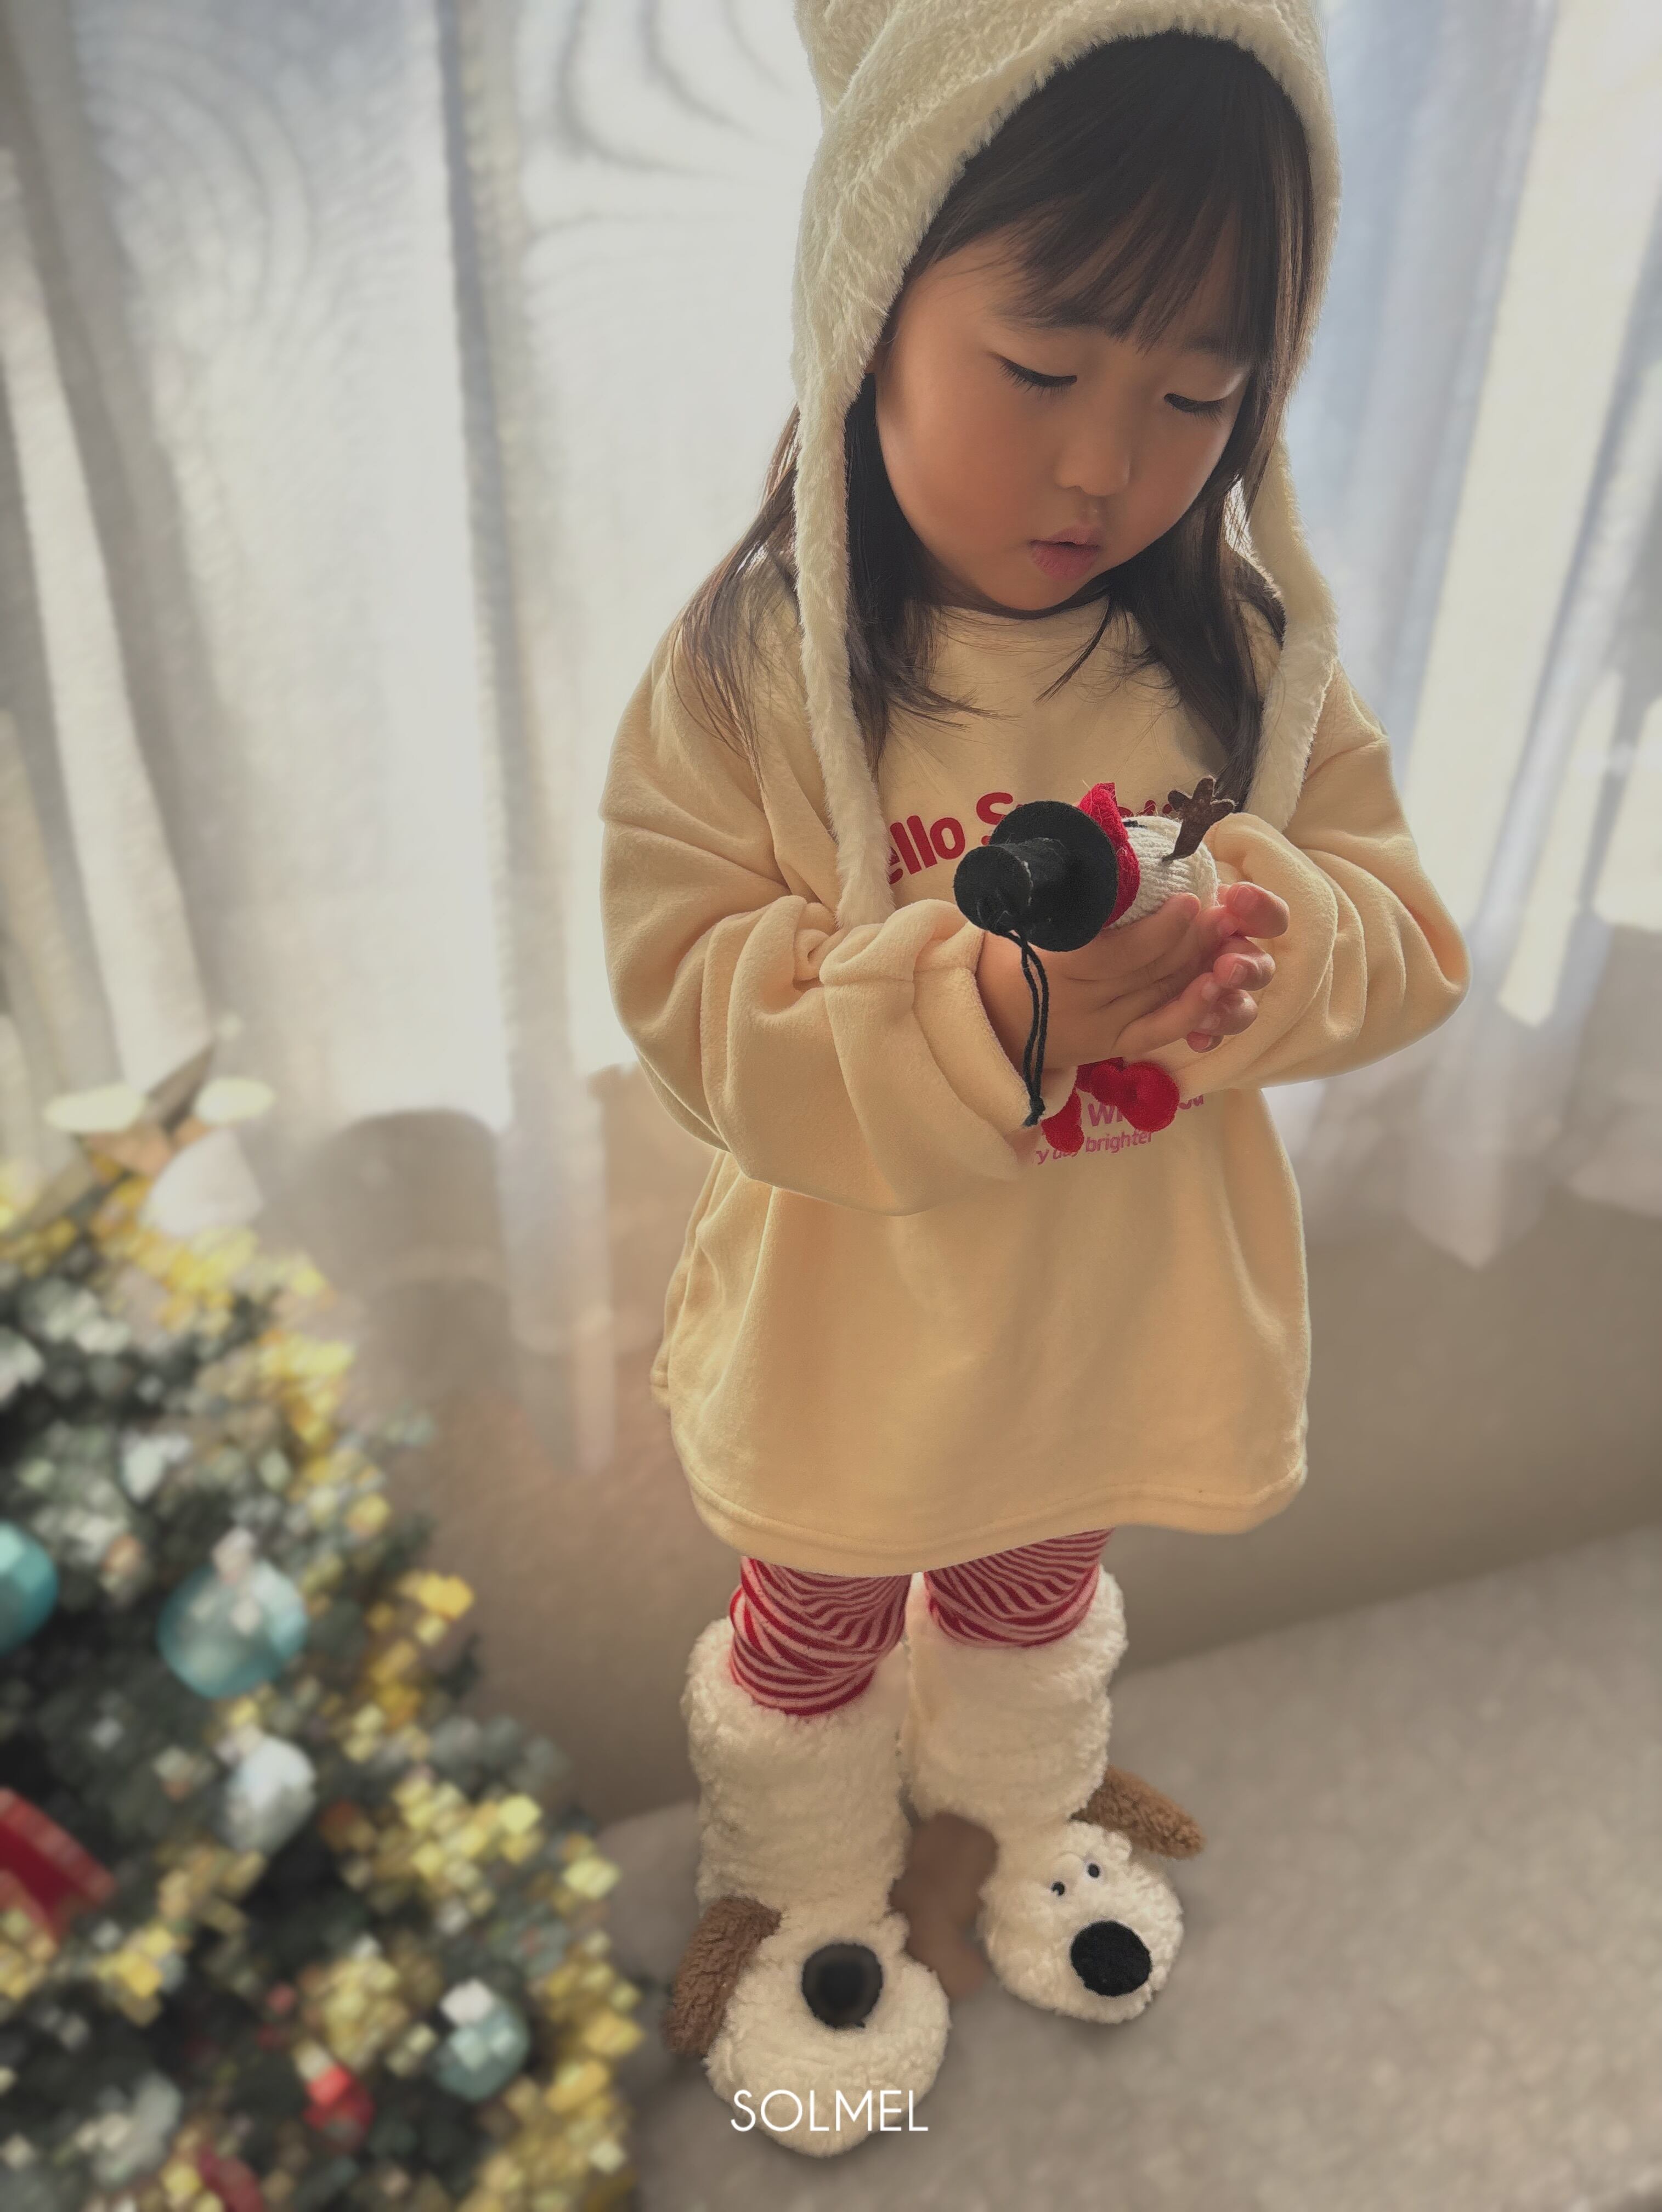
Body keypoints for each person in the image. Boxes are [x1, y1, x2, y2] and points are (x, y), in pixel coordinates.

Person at [600, 0, 1468, 2158]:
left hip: (1098, 1324)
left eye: (1198, 395)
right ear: (871, 303)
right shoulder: (752, 672)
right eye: (1042, 366)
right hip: (853, 1338)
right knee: (810, 1634)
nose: (1108, 466)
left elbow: (1405, 937)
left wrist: (1255, 938)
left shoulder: (1241, 660)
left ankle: (1014, 1829)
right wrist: (1005, 1016)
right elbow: (694, 1003)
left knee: (1031, 1594)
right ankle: (808, 1898)